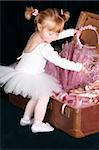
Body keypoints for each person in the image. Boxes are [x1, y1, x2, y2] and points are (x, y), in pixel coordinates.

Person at [0, 7, 87, 133]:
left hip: (22, 71)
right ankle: (38, 124)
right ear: (40, 27)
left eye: (57, 32)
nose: (54, 36)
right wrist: (79, 67)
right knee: (44, 96)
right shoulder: (44, 47)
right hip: (32, 75)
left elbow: (53, 35)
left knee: (35, 97)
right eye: (51, 33)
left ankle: (25, 118)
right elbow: (60, 61)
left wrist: (70, 32)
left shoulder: (37, 35)